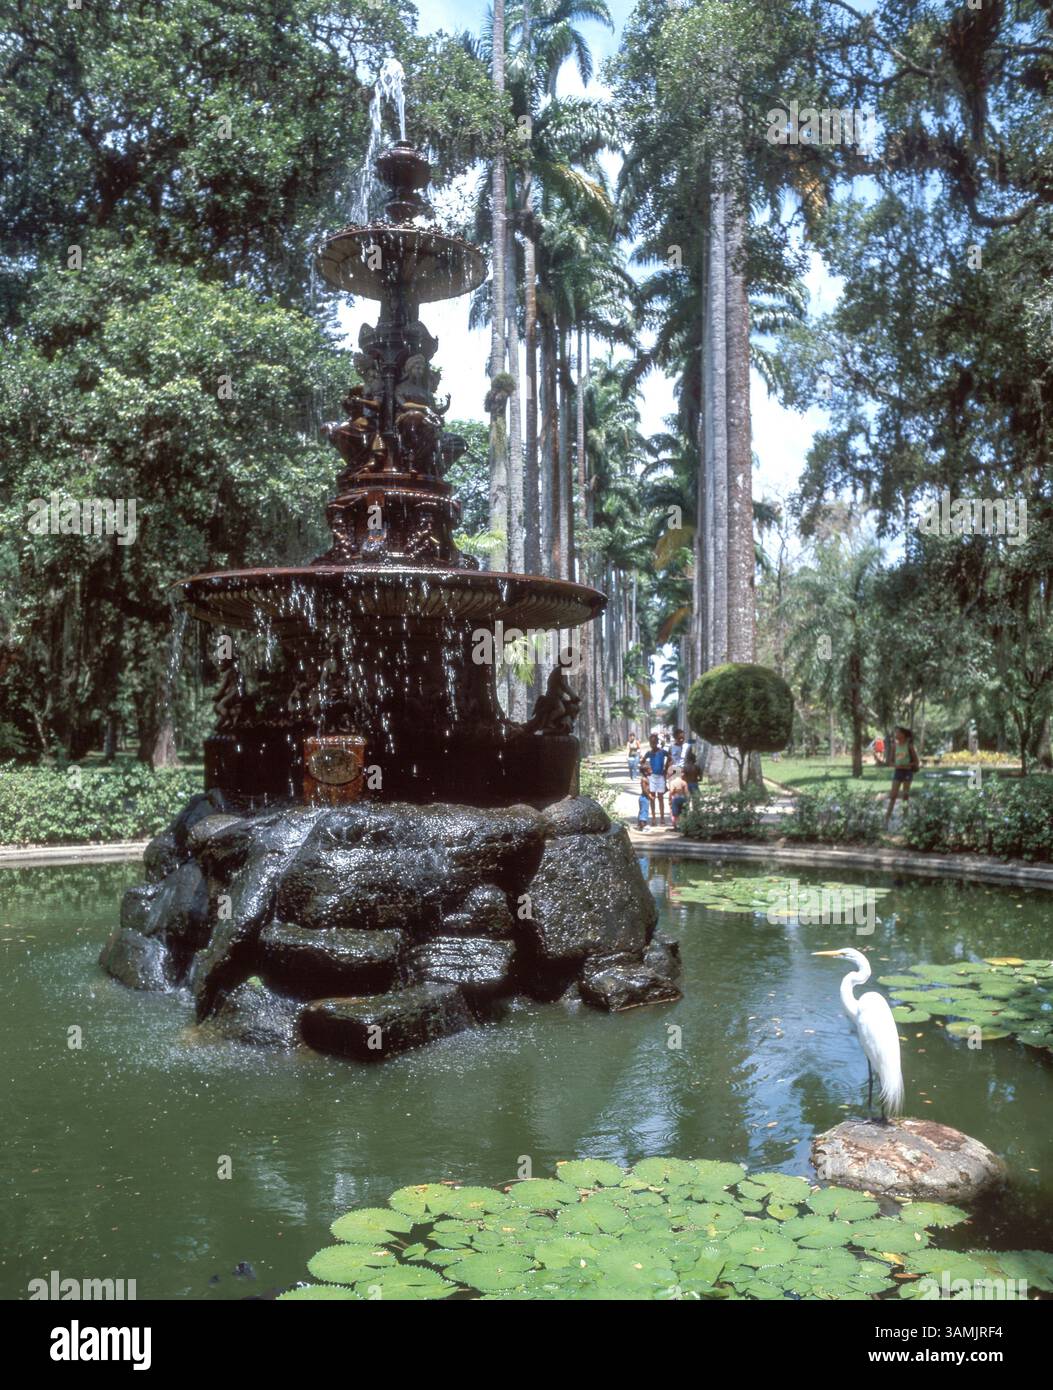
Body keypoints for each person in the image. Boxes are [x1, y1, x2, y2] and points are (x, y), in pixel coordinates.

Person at [885, 725, 920, 827]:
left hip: (907, 773)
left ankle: (905, 821)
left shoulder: (909, 746)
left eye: (898, 732)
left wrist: (907, 765)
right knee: (893, 796)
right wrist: (896, 765)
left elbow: (916, 762)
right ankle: (886, 820)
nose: (896, 734)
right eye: (895, 732)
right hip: (898, 772)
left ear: (903, 735)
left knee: (905, 796)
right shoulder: (894, 746)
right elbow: (890, 762)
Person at [642, 732, 671, 826]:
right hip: (652, 777)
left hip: (661, 777)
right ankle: (654, 818)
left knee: (661, 797)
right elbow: (642, 762)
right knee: (652, 797)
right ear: (650, 743)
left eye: (654, 742)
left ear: (657, 742)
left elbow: (670, 757)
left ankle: (662, 818)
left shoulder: (662, 752)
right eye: (651, 743)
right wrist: (646, 771)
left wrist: (666, 768)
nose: (653, 744)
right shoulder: (649, 753)